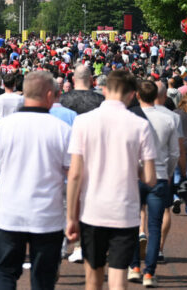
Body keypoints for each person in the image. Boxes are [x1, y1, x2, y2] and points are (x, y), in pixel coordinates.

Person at [0, 70, 72, 290]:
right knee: (43, 279)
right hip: (48, 217)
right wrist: (74, 215)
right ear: (49, 94)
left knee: (4, 273)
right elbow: (74, 177)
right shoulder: (62, 130)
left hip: (10, 215)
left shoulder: (2, 127)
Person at [66, 70, 157, 290]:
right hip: (124, 211)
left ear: (104, 89)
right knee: (118, 279)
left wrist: (70, 216)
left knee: (93, 277)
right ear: (132, 94)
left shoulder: (83, 121)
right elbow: (150, 178)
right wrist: (134, 167)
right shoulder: (140, 125)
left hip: (92, 210)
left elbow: (75, 173)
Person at [127, 80, 182, 287]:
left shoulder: (130, 117)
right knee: (154, 226)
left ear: (138, 96)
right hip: (158, 175)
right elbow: (174, 153)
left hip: (134, 175)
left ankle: (134, 267)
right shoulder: (169, 119)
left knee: (132, 223)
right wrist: (168, 173)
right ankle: (149, 272)